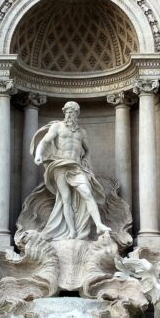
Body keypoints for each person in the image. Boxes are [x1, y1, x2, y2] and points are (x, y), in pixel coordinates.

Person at [32, 101, 111, 240]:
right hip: (60, 164)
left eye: (72, 112)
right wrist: (38, 154)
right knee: (66, 199)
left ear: (77, 114)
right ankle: (72, 231)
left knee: (87, 192)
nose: (69, 114)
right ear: (64, 113)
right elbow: (44, 142)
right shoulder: (58, 126)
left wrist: (86, 161)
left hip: (76, 166)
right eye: (67, 112)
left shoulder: (81, 132)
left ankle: (99, 224)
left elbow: (87, 151)